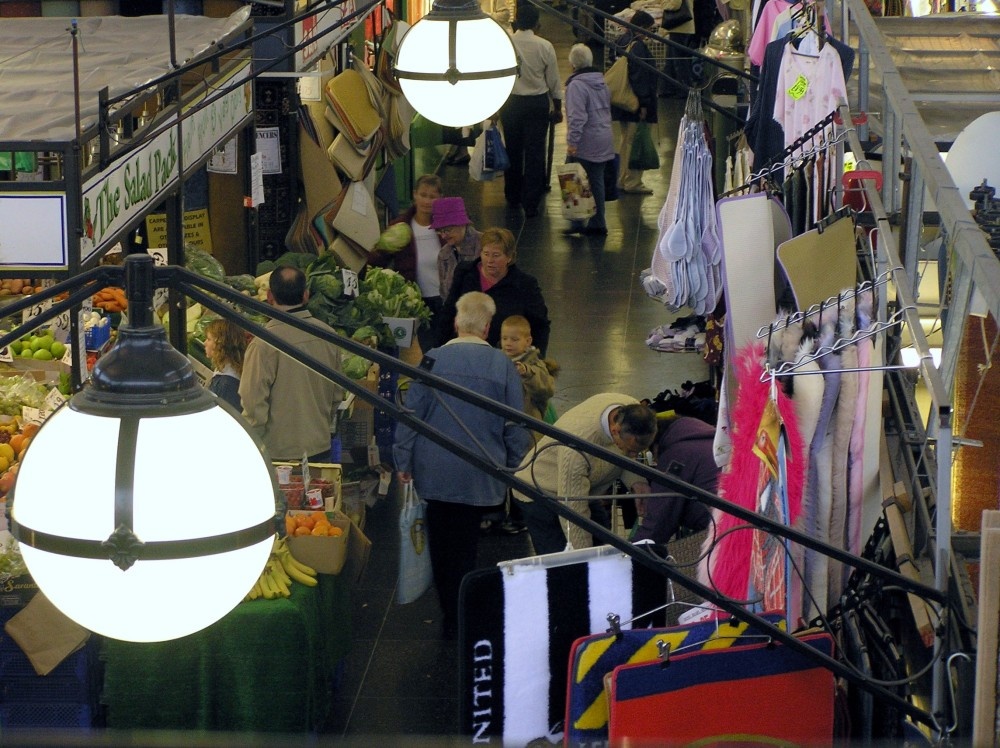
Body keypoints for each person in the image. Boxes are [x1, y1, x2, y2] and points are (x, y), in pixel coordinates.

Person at [394, 291, 532, 639]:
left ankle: (449, 615)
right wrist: (515, 467)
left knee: (441, 543)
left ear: (456, 323)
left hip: (435, 471)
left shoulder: (431, 360)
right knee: (468, 545)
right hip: (479, 472)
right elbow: (515, 423)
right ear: (487, 328)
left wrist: (403, 460)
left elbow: (410, 416)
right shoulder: (502, 365)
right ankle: (469, 609)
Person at [513, 393, 656, 555]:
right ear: (615, 431)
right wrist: (584, 559)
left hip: (583, 487)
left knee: (603, 542)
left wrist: (636, 480)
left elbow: (625, 454)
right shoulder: (576, 446)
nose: (633, 456)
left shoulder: (631, 409)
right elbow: (573, 511)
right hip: (540, 491)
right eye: (630, 451)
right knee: (560, 562)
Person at [240, 266, 343, 463]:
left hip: (280, 456)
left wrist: (253, 448)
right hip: (320, 448)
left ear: (270, 296)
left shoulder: (263, 344)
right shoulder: (329, 336)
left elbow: (253, 405)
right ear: (306, 295)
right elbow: (336, 394)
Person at [437, 227, 551, 355]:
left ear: (509, 257)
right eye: (486, 254)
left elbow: (540, 326)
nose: (490, 260)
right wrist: (439, 352)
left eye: (496, 255)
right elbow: (448, 313)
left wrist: (536, 363)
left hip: (506, 358)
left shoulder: (525, 284)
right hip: (463, 352)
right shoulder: (464, 273)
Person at [366, 173, 444, 351]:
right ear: (414, 194)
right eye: (423, 195)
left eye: (432, 196)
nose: (427, 201)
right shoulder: (400, 227)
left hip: (444, 301)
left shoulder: (446, 227)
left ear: (440, 198)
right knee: (424, 350)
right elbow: (379, 257)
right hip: (416, 303)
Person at [500, 4, 563, 218]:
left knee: (513, 150)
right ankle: (532, 202)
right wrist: (557, 106)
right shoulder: (544, 46)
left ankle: (512, 194)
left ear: (516, 21)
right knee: (535, 153)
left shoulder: (507, 43)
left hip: (511, 103)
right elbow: (553, 80)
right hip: (536, 104)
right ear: (538, 24)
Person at [631, 414, 715, 544]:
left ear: (656, 444)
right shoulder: (709, 441)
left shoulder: (676, 455)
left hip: (721, 530)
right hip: (743, 520)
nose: (655, 460)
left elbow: (658, 521)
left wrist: (628, 553)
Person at [563, 43, 615, 237]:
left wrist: (572, 143)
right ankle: (597, 221)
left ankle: (578, 220)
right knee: (596, 180)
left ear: (572, 63)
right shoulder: (601, 81)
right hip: (604, 136)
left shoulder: (576, 85)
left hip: (587, 139)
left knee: (574, 178)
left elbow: (577, 117)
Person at [610, 10, 658, 194]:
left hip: (622, 100)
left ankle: (621, 179)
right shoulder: (637, 47)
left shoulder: (620, 41)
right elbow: (640, 77)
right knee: (635, 142)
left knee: (625, 142)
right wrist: (644, 104)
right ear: (642, 28)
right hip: (636, 103)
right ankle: (632, 181)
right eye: (649, 29)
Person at [432, 196, 482, 301]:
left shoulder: (484, 245)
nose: (443, 236)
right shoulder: (444, 254)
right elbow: (445, 296)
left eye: (448, 230)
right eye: (439, 231)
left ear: (462, 224)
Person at [203, 318, 247, 411]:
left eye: (209, 339)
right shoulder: (226, 372)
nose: (205, 343)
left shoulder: (226, 385)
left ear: (220, 345)